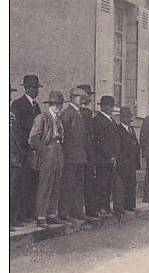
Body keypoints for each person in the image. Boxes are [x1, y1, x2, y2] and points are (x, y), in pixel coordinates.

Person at [28, 91, 65, 227]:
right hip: (48, 152)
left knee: (56, 183)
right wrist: (44, 152)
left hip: (58, 151)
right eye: (54, 104)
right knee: (45, 184)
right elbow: (33, 139)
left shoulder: (58, 119)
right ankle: (41, 216)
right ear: (50, 105)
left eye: (59, 104)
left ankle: (51, 214)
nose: (57, 107)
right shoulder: (42, 117)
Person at [10, 75, 42, 223]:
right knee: (20, 185)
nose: (36, 91)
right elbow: (17, 131)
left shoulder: (36, 106)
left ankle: (28, 213)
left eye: (37, 88)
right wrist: (26, 149)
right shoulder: (18, 104)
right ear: (27, 88)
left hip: (33, 153)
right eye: (33, 88)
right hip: (23, 152)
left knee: (31, 183)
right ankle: (17, 216)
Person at [58, 87, 90, 222]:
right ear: (72, 97)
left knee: (78, 185)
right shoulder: (67, 113)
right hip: (70, 156)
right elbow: (62, 135)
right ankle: (65, 213)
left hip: (79, 156)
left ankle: (77, 212)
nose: (81, 100)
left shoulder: (79, 113)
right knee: (68, 185)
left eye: (83, 98)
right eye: (79, 97)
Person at [93, 96, 121, 215]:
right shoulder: (98, 120)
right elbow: (101, 141)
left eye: (112, 106)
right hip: (102, 159)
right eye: (109, 106)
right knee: (101, 183)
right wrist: (109, 155)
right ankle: (100, 207)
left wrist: (115, 155)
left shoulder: (111, 120)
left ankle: (106, 206)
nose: (111, 108)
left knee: (108, 183)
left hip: (112, 158)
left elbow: (115, 139)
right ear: (103, 106)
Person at [77, 84, 99, 218]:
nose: (89, 97)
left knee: (89, 181)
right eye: (87, 95)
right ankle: (86, 210)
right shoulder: (82, 112)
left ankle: (90, 210)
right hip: (83, 152)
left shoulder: (87, 112)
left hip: (88, 151)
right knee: (84, 182)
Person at [113, 107, 140, 213]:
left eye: (130, 117)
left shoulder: (131, 129)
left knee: (131, 183)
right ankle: (120, 207)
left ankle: (129, 205)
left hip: (131, 161)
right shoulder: (118, 129)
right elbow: (119, 145)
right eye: (127, 117)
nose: (130, 119)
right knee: (121, 185)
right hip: (123, 161)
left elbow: (135, 144)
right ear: (122, 118)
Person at [10, 85, 23, 229]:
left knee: (13, 190)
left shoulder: (11, 114)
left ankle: (11, 220)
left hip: (13, 157)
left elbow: (15, 136)